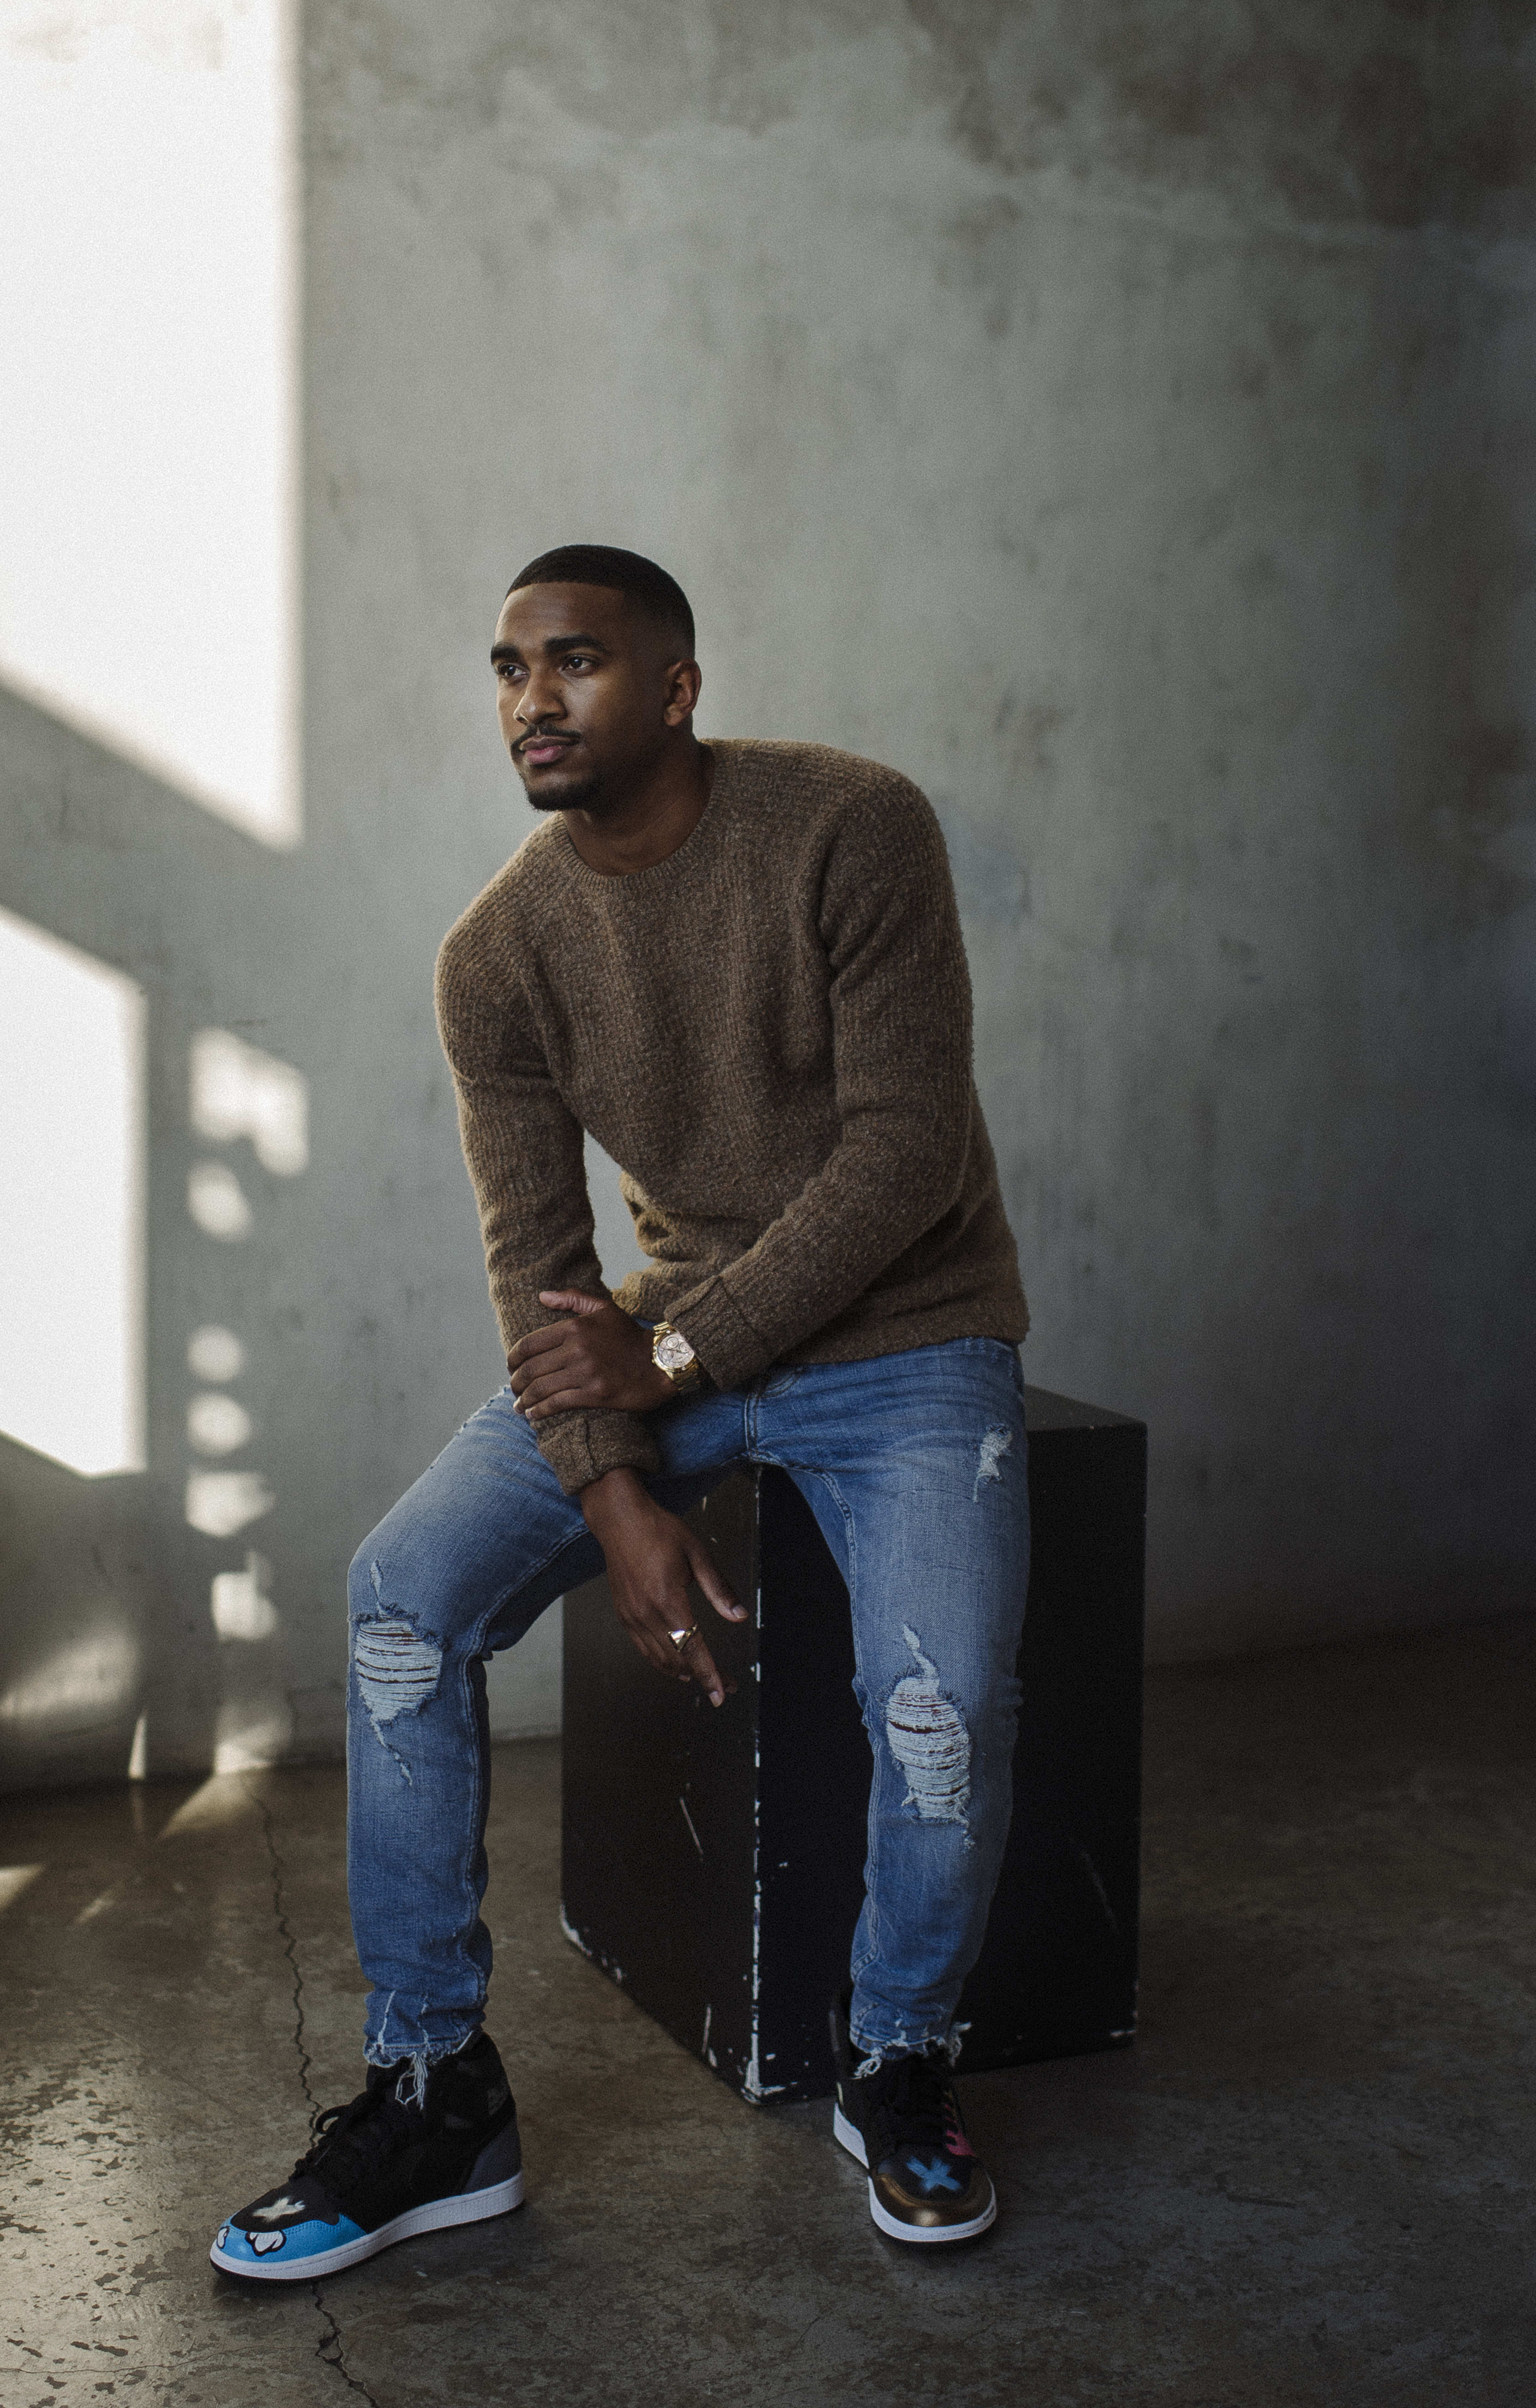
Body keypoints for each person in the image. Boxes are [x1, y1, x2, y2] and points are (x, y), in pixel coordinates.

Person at [211, 545, 1031, 2281]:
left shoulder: (851, 827)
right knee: (400, 1606)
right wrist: (610, 1488)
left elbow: (907, 1155)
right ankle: (436, 2088)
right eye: (506, 671)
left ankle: (896, 2060)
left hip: (911, 1343)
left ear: (675, 687)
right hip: (677, 1348)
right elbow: (542, 1260)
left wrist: (668, 1373)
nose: (529, 700)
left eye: (571, 662)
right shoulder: (497, 955)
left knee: (943, 1705)